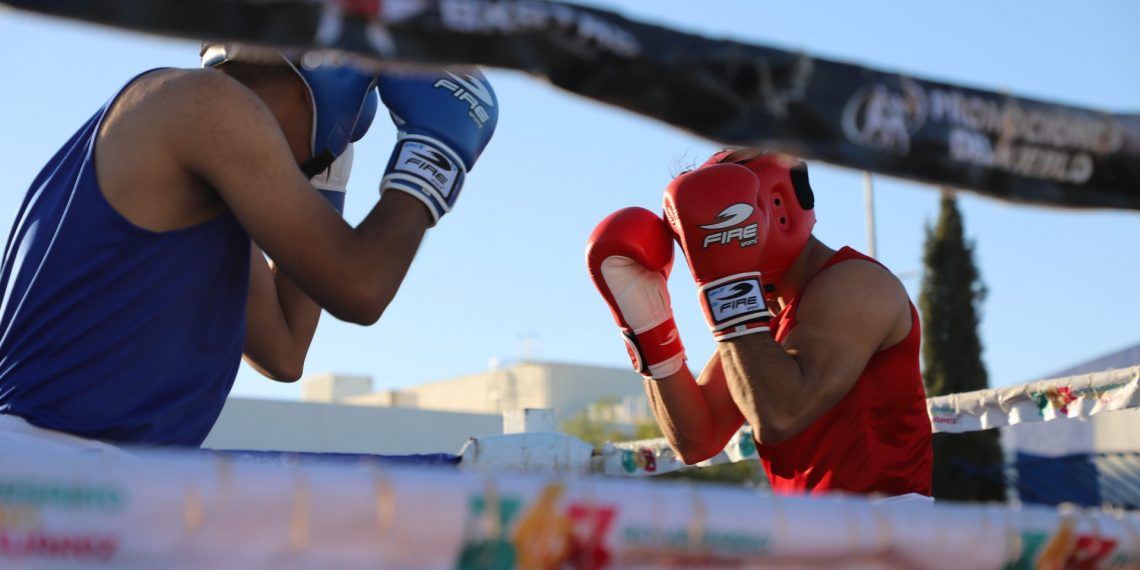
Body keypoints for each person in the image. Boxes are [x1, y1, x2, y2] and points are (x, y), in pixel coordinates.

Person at [0, 44, 498, 450]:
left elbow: (284, 350)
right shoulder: (205, 105)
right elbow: (360, 288)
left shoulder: (193, 162)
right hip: (55, 471)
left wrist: (328, 178)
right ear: (322, 81)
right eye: (336, 138)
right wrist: (433, 155)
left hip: (91, 476)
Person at [586, 149, 931, 498]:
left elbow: (780, 415)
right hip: (808, 535)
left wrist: (728, 292)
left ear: (777, 204)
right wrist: (649, 327)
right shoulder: (761, 323)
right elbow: (695, 441)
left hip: (888, 533)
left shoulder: (857, 284)